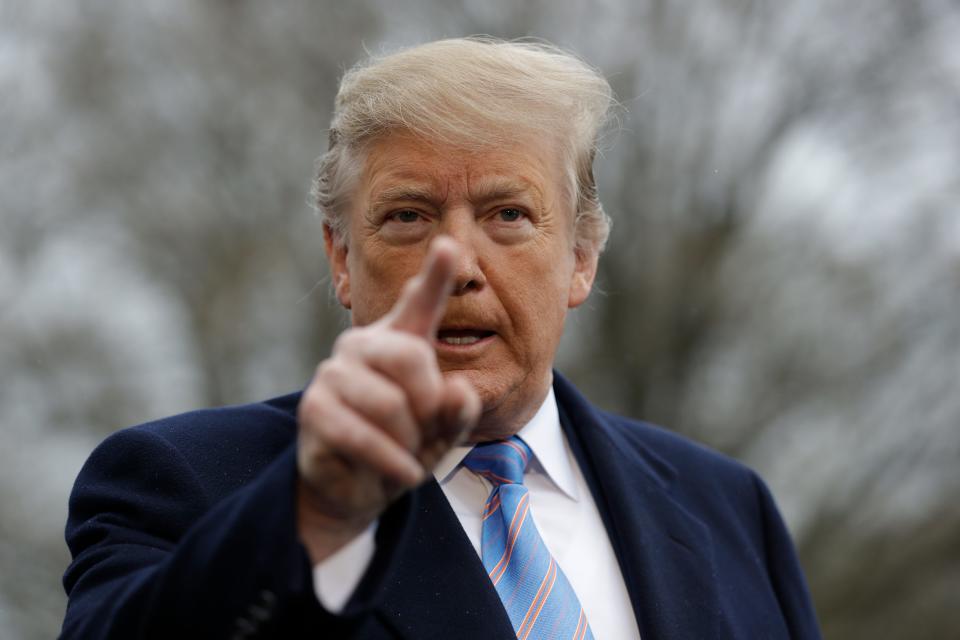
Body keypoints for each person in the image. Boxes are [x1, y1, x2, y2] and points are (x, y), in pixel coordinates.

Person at [61, 38, 821, 639]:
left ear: (582, 259)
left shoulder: (729, 510)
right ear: (341, 259)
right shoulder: (181, 482)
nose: (456, 264)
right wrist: (315, 518)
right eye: (408, 217)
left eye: (509, 215)